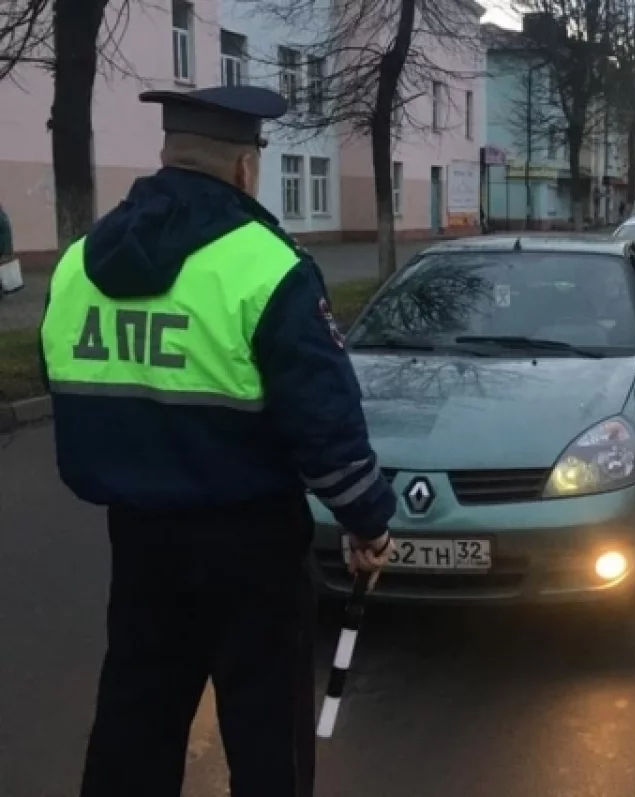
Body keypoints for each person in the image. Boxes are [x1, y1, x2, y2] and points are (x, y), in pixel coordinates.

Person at [38, 85, 400, 797]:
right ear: (244, 168)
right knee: (267, 736)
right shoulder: (266, 267)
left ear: (167, 154)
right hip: (251, 547)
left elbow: (67, 386)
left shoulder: (79, 263)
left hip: (138, 541)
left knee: (134, 721)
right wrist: (368, 521)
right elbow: (323, 422)